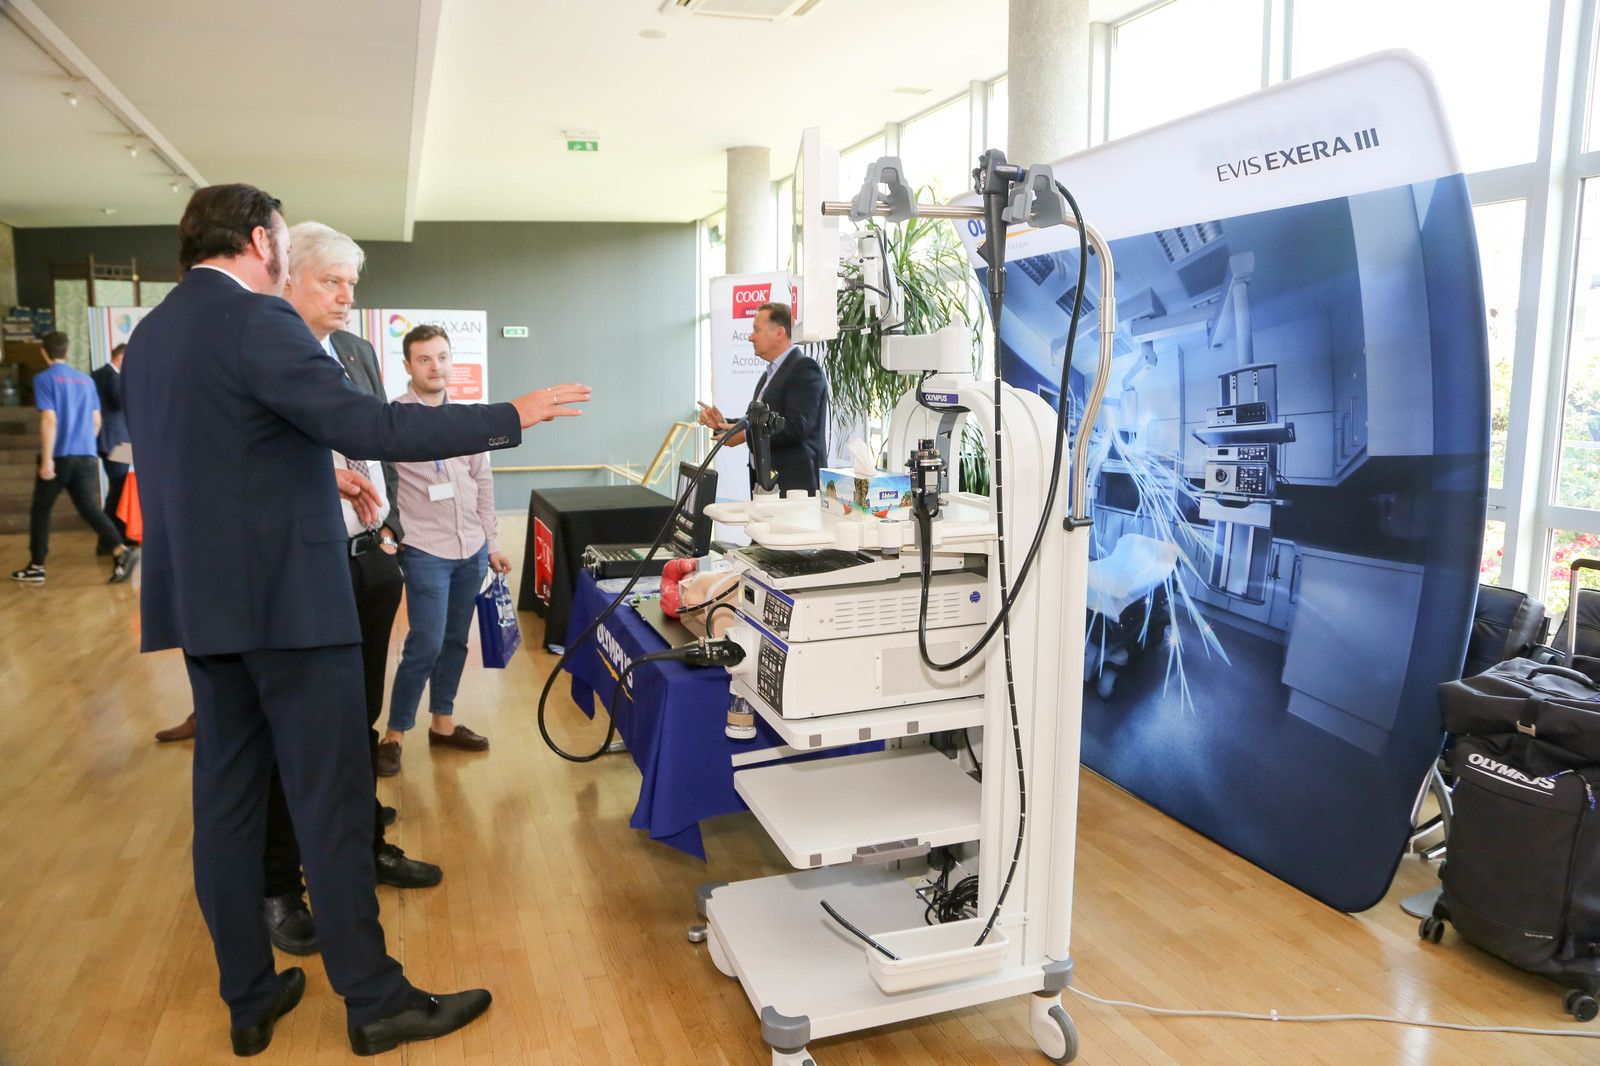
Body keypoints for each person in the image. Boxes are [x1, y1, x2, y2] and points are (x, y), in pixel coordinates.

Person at [122, 183, 590, 1056]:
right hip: (290, 608)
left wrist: (315, 472)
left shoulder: (153, 334)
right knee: (332, 801)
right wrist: (510, 416)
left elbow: (222, 454)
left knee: (225, 807)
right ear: (262, 241)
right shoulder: (258, 319)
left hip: (208, 607)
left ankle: (248, 998)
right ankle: (376, 1002)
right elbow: (374, 426)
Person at [252, 220, 443, 955]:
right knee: (293, 733)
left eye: (351, 284)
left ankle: (364, 847)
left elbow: (380, 438)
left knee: (360, 717)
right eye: (330, 281)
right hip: (300, 569)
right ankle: (277, 884)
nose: (345, 295)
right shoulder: (260, 352)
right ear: (286, 277)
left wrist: (389, 530)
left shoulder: (356, 350)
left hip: (367, 559)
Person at [377, 325, 507, 776]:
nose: (436, 367)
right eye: (425, 359)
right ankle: (394, 734)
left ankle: (443, 724)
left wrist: (492, 544)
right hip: (424, 549)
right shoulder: (393, 419)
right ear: (408, 365)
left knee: (455, 641)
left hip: (471, 548)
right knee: (425, 643)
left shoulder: (467, 419)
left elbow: (483, 484)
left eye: (443, 357)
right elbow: (383, 483)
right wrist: (388, 536)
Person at [11, 331, 139, 583]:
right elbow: (97, 420)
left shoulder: (44, 378)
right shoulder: (88, 379)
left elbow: (49, 420)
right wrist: (85, 444)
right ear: (67, 352)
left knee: (41, 509)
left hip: (64, 453)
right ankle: (119, 549)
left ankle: (37, 565)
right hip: (92, 450)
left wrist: (47, 458)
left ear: (43, 352)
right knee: (92, 504)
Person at [696, 301, 827, 494]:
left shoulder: (804, 369)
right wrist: (723, 423)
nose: (751, 337)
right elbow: (757, 422)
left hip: (794, 489)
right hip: (767, 487)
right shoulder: (769, 375)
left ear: (779, 332)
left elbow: (797, 427)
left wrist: (745, 436)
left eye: (757, 330)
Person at [92, 342, 131, 551]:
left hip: (112, 440)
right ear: (121, 358)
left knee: (120, 487)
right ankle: (109, 540)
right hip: (116, 441)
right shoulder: (111, 376)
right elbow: (120, 401)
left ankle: (118, 535)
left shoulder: (99, 374)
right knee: (119, 488)